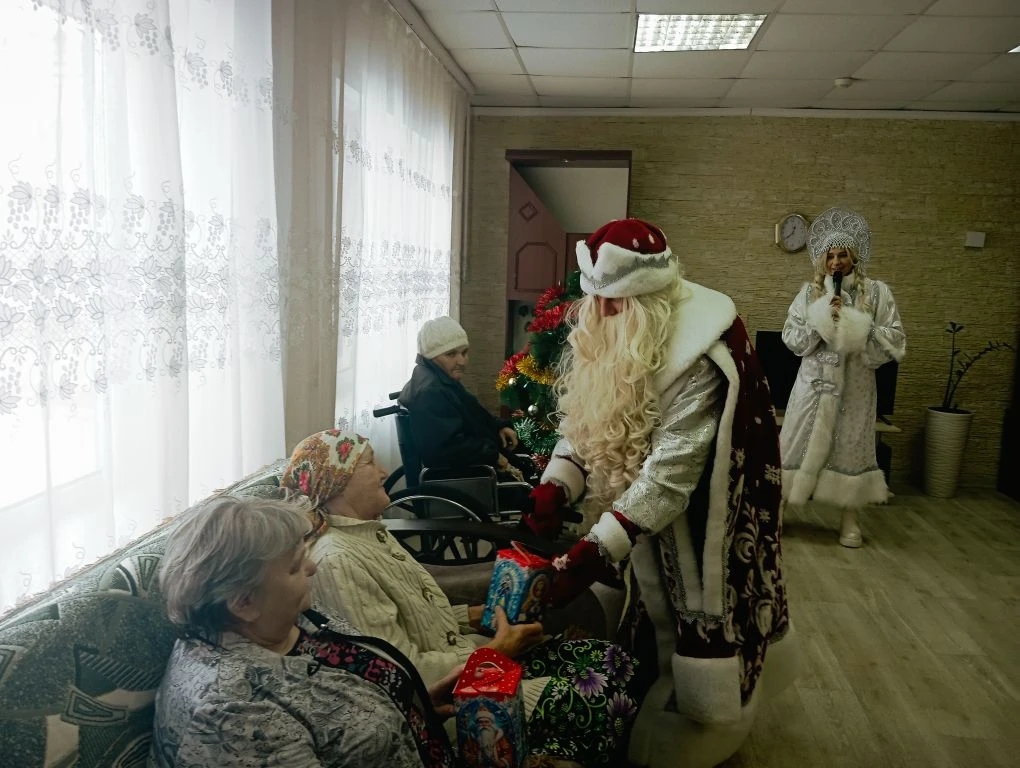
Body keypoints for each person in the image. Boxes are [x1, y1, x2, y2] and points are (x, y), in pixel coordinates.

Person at [521, 218, 795, 739]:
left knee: (685, 625)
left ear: (648, 299)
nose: (600, 313)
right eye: (595, 299)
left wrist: (597, 549)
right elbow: (592, 419)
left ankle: (701, 725)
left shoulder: (698, 359)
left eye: (614, 302)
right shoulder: (610, 329)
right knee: (643, 626)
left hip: (691, 523)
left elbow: (671, 475)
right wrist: (558, 482)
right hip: (636, 523)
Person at [281, 429, 641, 768]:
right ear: (337, 482)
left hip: (470, 662)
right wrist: (499, 650)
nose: (384, 471)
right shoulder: (336, 561)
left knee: (611, 660)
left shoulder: (370, 532)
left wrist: (474, 614)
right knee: (601, 699)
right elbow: (398, 674)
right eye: (370, 462)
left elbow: (414, 615)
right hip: (451, 707)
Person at [149, 495, 459, 768]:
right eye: (295, 566)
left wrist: (410, 708)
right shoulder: (233, 717)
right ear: (244, 602)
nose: (312, 567)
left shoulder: (292, 618)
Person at [779, 206, 906, 547]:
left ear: (854, 257)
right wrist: (821, 320)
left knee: (851, 446)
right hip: (813, 383)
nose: (836, 262)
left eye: (843, 255)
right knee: (794, 442)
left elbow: (895, 340)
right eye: (830, 255)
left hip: (856, 386)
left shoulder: (877, 293)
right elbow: (791, 337)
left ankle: (851, 519)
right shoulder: (809, 293)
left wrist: (858, 325)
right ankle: (779, 510)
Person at [399, 316, 531, 483]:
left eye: (464, 352)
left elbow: (474, 414)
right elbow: (449, 447)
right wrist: (494, 456)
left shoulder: (440, 380)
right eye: (451, 354)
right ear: (432, 355)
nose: (461, 361)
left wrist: (499, 426)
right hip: (467, 478)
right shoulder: (430, 392)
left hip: (475, 468)